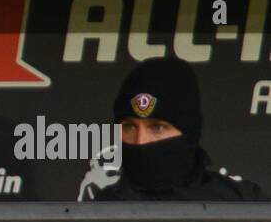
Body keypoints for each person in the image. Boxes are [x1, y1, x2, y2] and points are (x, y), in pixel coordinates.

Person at [96, 57, 266, 201]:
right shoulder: (101, 210)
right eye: (129, 127)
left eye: (157, 127)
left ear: (190, 132)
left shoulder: (240, 202)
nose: (140, 141)